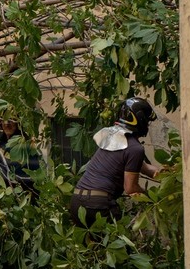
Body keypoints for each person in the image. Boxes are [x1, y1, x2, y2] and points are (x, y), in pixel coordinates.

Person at [69, 97, 161, 227]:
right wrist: (153, 199)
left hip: (76, 202)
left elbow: (145, 168)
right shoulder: (135, 148)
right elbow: (130, 188)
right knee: (121, 238)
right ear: (141, 120)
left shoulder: (113, 138)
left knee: (94, 240)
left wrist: (167, 175)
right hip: (97, 205)